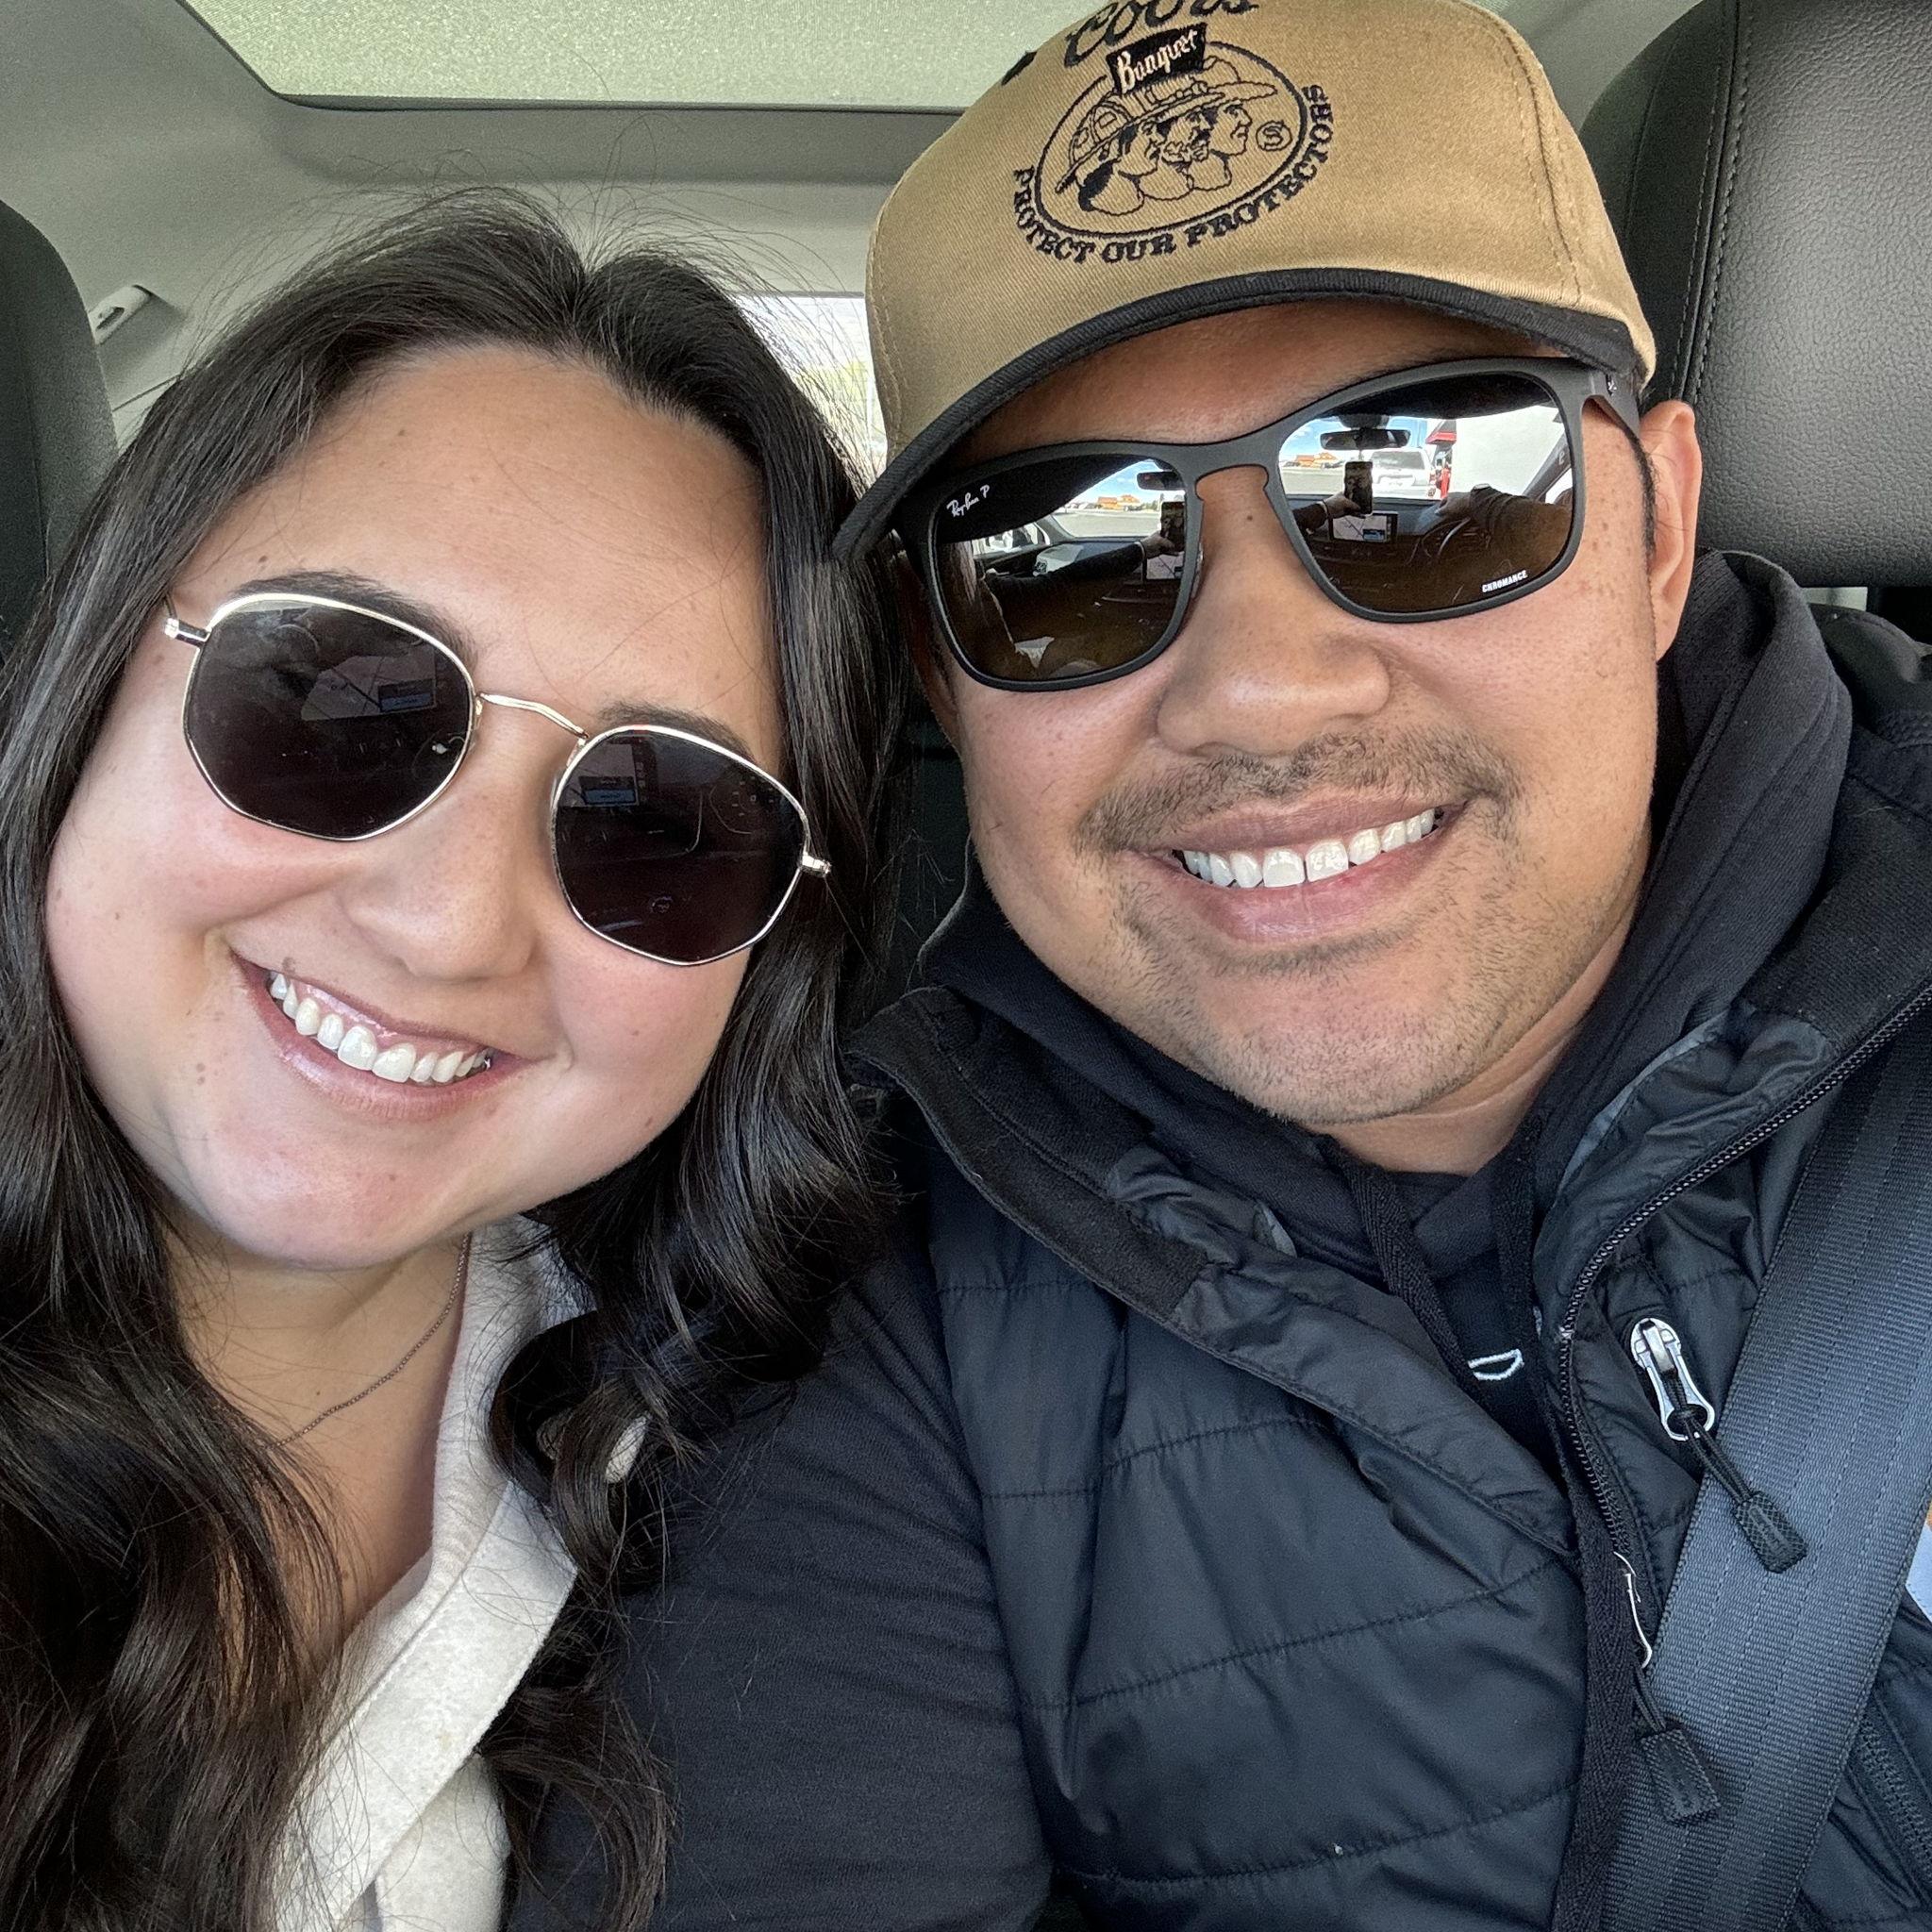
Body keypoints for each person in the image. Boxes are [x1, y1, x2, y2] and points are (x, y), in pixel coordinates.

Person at [537, 4, 1932, 1932]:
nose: (1263, 687)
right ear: (941, 670)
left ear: (1659, 530)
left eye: (1425, 484)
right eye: (1060, 555)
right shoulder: (858, 1300)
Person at [0, 192, 903, 1931]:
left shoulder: (786, 1487)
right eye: (335, 698)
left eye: (658, 820)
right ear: (92, 673)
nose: (446, 927)